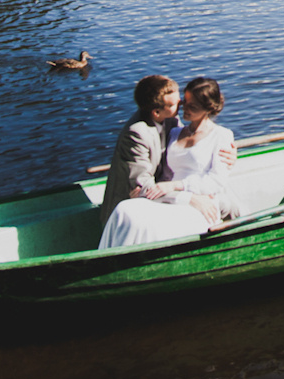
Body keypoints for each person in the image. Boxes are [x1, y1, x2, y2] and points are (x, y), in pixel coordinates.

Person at [97, 78, 240, 249]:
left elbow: (213, 175)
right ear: (157, 112)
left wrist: (231, 156)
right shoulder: (144, 133)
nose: (182, 108)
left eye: (188, 105)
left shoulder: (176, 123)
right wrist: (185, 196)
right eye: (182, 103)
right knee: (125, 211)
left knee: (134, 217)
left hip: (199, 198)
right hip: (165, 197)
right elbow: (144, 185)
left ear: (207, 109)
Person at [98, 74, 180, 224]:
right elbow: (143, 188)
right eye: (175, 104)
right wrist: (188, 197)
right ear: (156, 112)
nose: (182, 104)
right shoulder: (136, 134)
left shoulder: (171, 118)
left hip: (156, 193)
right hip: (128, 216)